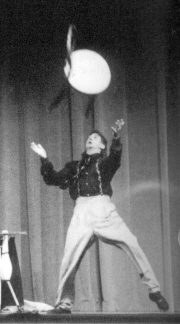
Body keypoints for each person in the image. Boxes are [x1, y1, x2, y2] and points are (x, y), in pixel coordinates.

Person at [30, 119, 169, 314]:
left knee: (131, 242)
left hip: (103, 209)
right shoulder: (74, 167)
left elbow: (115, 157)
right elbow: (53, 179)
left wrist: (116, 138)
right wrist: (45, 159)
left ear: (102, 145)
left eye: (95, 138)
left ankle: (154, 289)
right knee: (69, 258)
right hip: (81, 212)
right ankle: (63, 303)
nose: (90, 139)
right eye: (89, 137)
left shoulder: (105, 164)